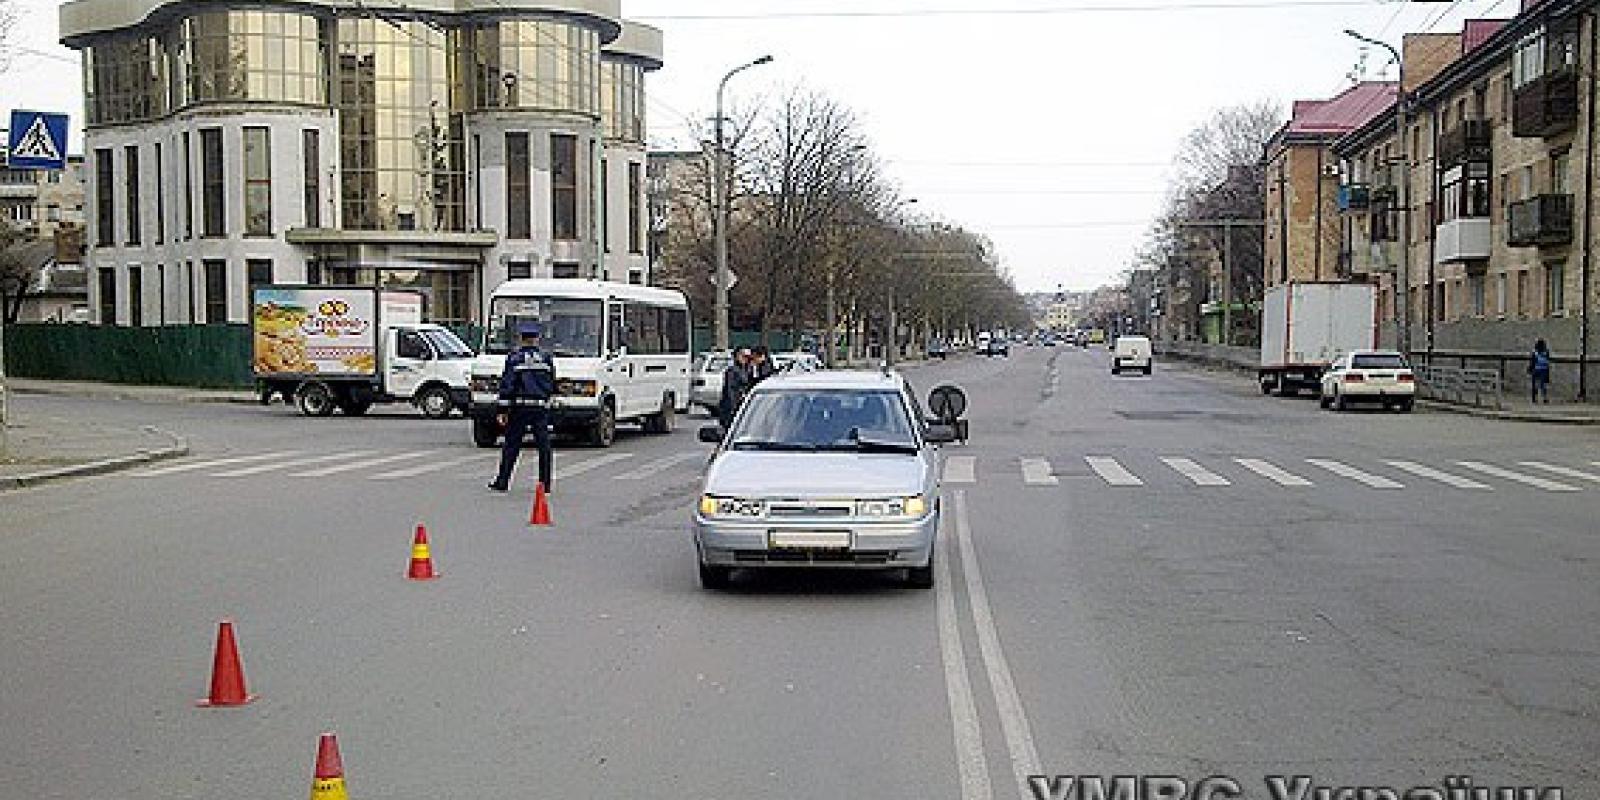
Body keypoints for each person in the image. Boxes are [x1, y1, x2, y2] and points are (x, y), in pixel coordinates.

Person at [488, 322, 556, 494]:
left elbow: (508, 385)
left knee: (511, 445)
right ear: (537, 339)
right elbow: (551, 383)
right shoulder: (546, 358)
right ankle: (545, 484)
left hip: (520, 407)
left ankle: (503, 481)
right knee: (544, 446)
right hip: (540, 407)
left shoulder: (514, 358)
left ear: (521, 338)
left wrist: (502, 410)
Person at [718, 348, 753, 429]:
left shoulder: (749, 369)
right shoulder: (732, 371)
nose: (745, 359)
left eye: (747, 357)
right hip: (731, 407)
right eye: (742, 356)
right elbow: (730, 390)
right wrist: (733, 407)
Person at [1529, 338, 1552, 404]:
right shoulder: (1546, 352)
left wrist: (1530, 369)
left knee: (1535, 384)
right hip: (1544, 369)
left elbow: (1532, 362)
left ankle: (1535, 398)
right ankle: (1544, 398)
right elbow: (1547, 361)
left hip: (1536, 369)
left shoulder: (1535, 352)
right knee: (1543, 385)